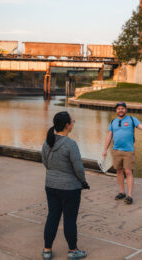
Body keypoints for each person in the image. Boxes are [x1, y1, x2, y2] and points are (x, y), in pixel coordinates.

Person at [42, 111, 90, 260]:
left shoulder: (47, 142)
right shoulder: (70, 144)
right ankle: (72, 250)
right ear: (67, 125)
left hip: (51, 184)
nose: (73, 123)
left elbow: (45, 162)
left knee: (52, 217)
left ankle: (47, 250)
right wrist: (83, 181)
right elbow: (79, 169)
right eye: (72, 121)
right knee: (69, 219)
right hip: (70, 188)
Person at [102, 102, 142, 205]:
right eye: (118, 109)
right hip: (116, 150)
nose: (121, 110)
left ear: (126, 110)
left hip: (128, 151)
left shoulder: (132, 119)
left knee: (128, 172)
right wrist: (105, 149)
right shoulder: (113, 122)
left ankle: (129, 196)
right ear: (116, 111)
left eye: (123, 108)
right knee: (119, 172)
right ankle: (122, 192)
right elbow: (109, 136)